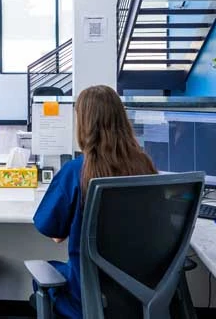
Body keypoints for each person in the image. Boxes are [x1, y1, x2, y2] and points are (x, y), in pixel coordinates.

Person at [32, 85, 157, 318]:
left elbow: (53, 232)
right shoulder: (145, 165)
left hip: (85, 298)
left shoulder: (76, 171)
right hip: (139, 295)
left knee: (45, 275)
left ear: (84, 124)